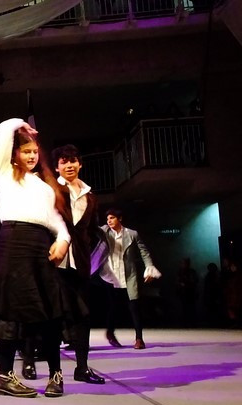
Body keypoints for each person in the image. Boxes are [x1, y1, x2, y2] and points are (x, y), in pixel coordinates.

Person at [0, 118, 70, 398]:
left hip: (40, 245)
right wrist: (21, 124)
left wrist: (63, 240)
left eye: (34, 151)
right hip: (13, 243)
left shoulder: (44, 186)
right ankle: (5, 376)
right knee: (12, 312)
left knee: (49, 310)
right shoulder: (3, 174)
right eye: (25, 151)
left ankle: (56, 374)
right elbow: (1, 131)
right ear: (15, 153)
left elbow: (55, 221)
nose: (32, 156)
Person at [51, 144, 105, 384]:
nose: (69, 165)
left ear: (80, 164)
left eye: (73, 160)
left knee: (83, 315)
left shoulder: (90, 196)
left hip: (80, 265)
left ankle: (82, 368)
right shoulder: (50, 190)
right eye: (64, 161)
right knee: (51, 316)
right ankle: (45, 367)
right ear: (57, 167)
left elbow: (91, 231)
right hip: (54, 262)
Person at [97, 208, 161, 350]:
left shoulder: (132, 234)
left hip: (128, 275)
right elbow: (91, 229)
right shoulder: (104, 232)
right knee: (114, 307)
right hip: (110, 275)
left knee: (134, 306)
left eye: (112, 218)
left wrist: (149, 267)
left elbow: (144, 252)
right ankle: (110, 332)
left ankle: (139, 339)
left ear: (120, 218)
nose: (109, 221)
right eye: (107, 219)